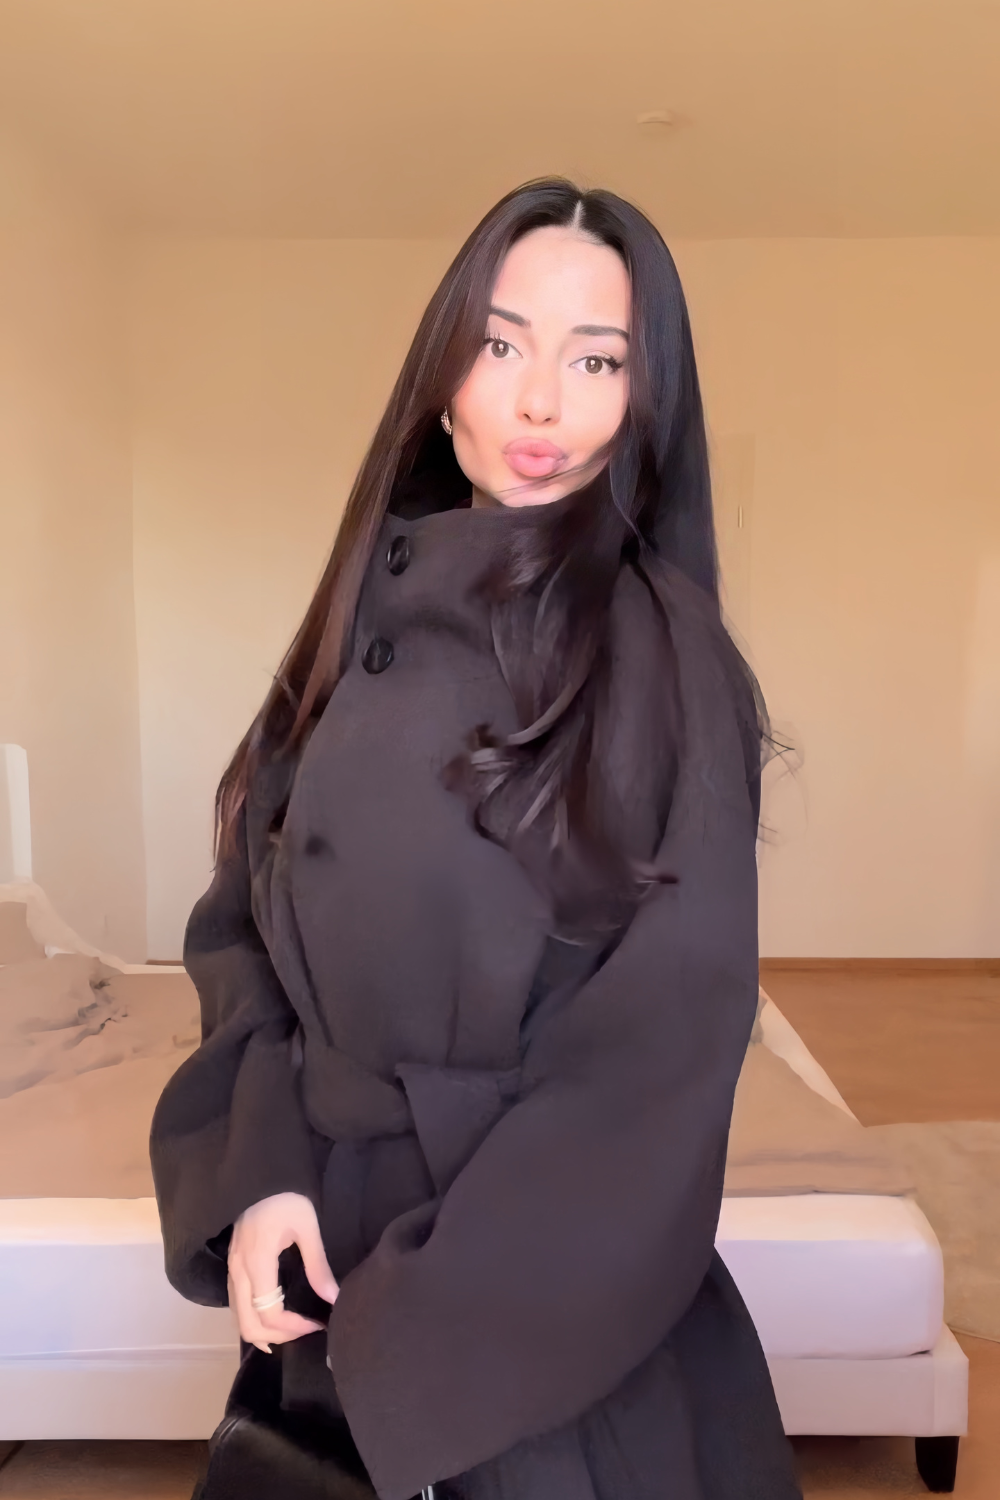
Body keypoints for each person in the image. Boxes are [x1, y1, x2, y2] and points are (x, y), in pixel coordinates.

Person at [151, 177, 802, 1500]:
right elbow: (247, 918)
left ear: (644, 400)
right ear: (442, 379)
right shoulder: (355, 616)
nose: (540, 402)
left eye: (597, 360)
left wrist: (419, 1335)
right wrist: (263, 1171)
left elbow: (662, 1053)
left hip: (523, 1325)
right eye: (501, 344)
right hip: (322, 1270)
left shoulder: (665, 653)